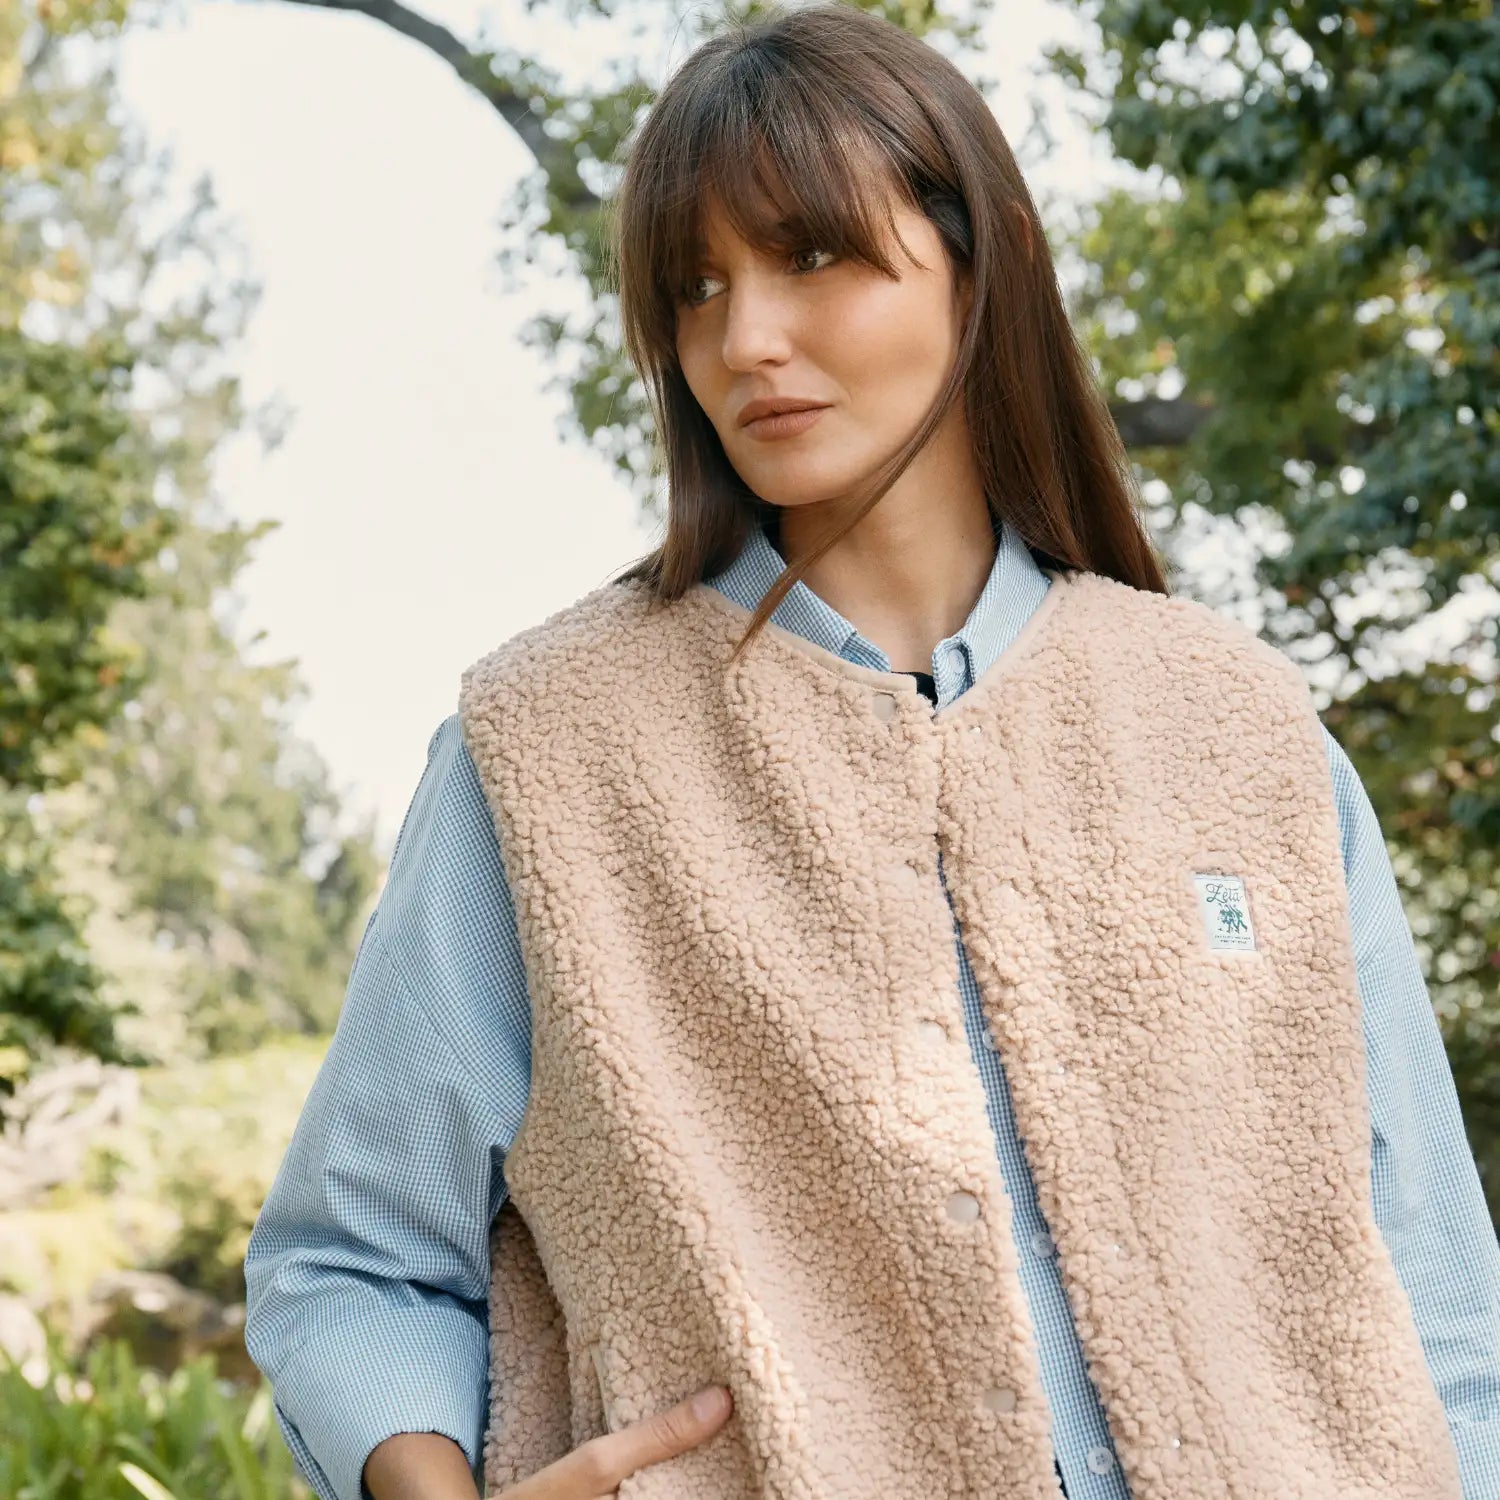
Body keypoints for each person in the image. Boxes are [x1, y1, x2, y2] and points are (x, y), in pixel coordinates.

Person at [243, 5, 1500, 1499]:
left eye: (812, 255)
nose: (743, 340)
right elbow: (352, 1262)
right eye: (696, 287)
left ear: (980, 264)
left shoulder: (1240, 725)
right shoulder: (543, 752)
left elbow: (1435, 1293)